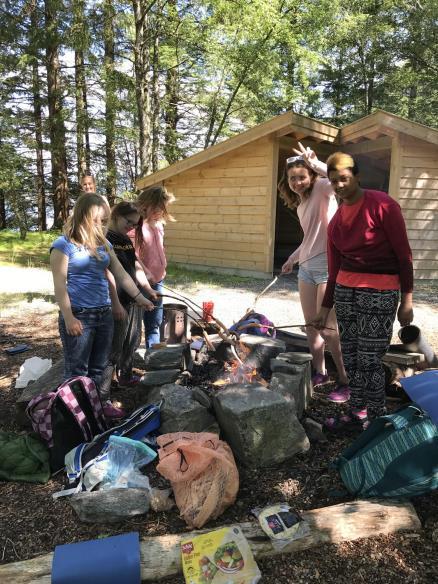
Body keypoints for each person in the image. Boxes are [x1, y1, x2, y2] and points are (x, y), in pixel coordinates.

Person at [313, 151, 414, 430]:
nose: (340, 185)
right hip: (346, 291)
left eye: (344, 178)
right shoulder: (336, 223)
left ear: (357, 176)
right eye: (334, 181)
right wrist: (324, 309)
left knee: (370, 359)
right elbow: (334, 272)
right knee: (353, 356)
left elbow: (404, 256)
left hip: (380, 292)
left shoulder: (383, 206)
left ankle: (378, 419)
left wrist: (407, 300)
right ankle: (356, 412)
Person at [50, 193, 154, 419]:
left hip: (104, 313)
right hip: (80, 315)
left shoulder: (104, 244)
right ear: (84, 216)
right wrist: (68, 317)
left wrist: (140, 297)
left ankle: (99, 405)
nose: (101, 225)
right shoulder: (63, 245)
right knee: (77, 370)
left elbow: (121, 274)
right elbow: (59, 285)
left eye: (104, 220)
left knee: (100, 366)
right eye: (97, 220)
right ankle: (75, 414)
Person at [278, 143, 350, 402]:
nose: (297, 182)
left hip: (327, 269)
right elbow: (309, 239)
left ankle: (345, 380)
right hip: (306, 269)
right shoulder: (300, 204)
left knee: (330, 330)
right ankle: (320, 373)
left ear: (310, 176)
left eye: (302, 176)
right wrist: (292, 258)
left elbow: (338, 181)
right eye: (292, 178)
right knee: (311, 327)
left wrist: (317, 163)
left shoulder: (321, 189)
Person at [100, 202, 158, 398]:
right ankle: (104, 391)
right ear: (116, 215)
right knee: (114, 346)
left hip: (133, 298)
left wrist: (147, 289)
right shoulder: (105, 239)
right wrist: (115, 302)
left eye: (134, 224)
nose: (131, 227)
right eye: (128, 221)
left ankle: (125, 375)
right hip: (117, 300)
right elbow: (107, 273)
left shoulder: (125, 240)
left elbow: (135, 266)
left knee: (132, 340)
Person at [130, 186, 175, 349]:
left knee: (154, 323)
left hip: (158, 280)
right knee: (133, 328)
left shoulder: (159, 225)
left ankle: (153, 359)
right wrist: (145, 271)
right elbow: (131, 256)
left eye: (162, 209)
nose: (160, 211)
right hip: (140, 284)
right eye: (156, 208)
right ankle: (127, 362)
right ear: (145, 205)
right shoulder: (136, 228)